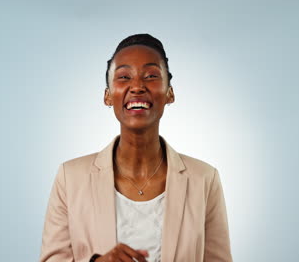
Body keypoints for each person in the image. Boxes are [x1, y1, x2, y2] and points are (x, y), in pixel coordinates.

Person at [39, 34, 233, 262]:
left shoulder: (204, 179)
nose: (137, 86)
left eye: (151, 76)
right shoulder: (70, 179)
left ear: (169, 93)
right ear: (108, 95)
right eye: (124, 77)